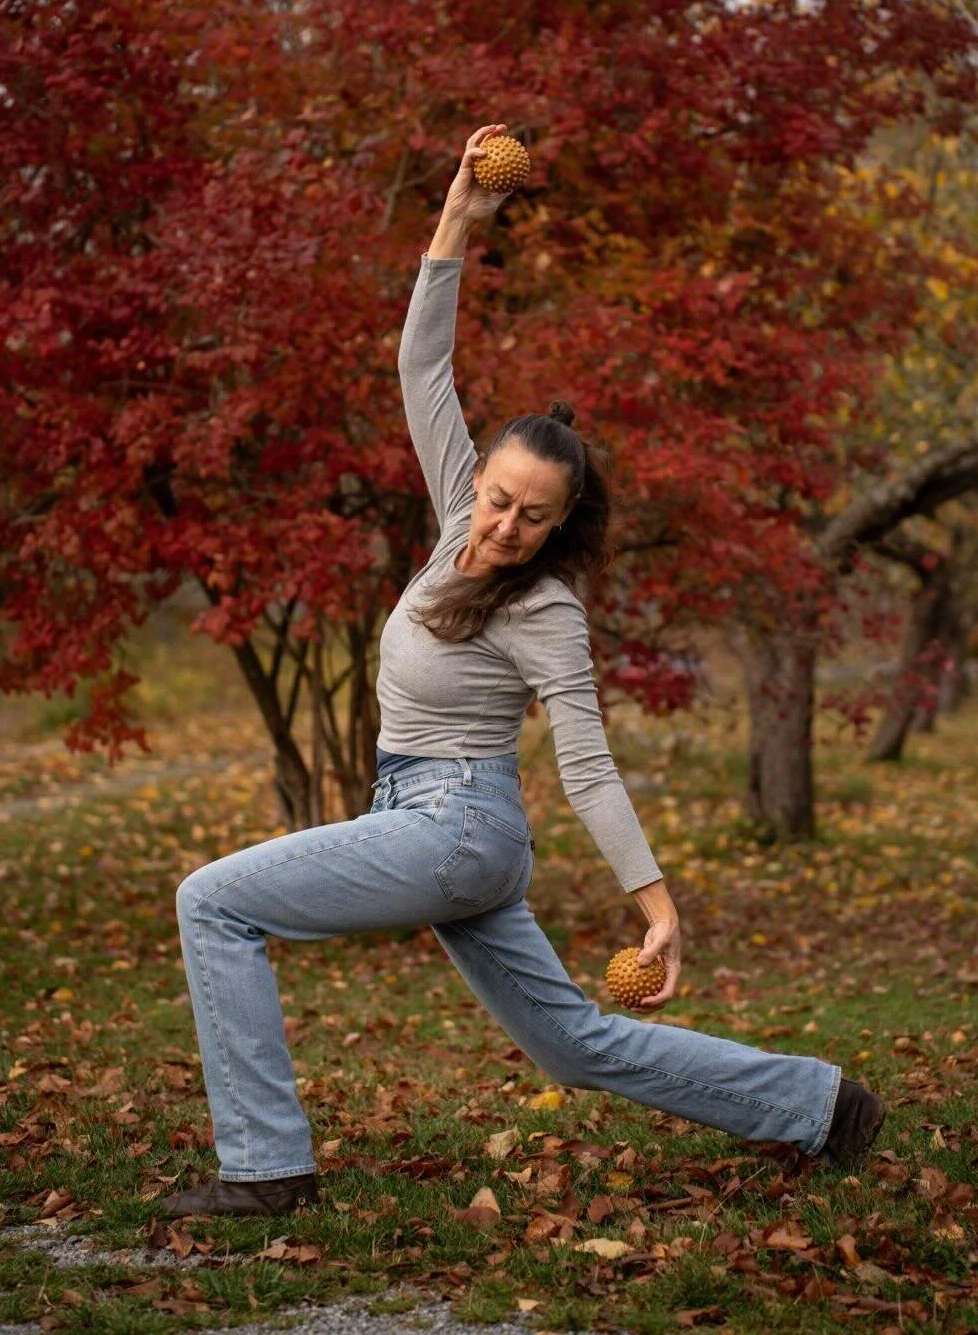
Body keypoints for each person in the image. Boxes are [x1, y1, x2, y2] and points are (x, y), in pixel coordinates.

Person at [163, 123, 885, 1219]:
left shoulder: (544, 608)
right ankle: (820, 1106)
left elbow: (587, 767)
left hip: (453, 824)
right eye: (497, 498)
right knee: (573, 1045)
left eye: (530, 515)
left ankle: (263, 1167)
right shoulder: (458, 508)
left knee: (212, 902)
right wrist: (461, 214)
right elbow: (421, 363)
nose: (501, 524)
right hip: (439, 823)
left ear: (560, 524)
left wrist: (655, 907)